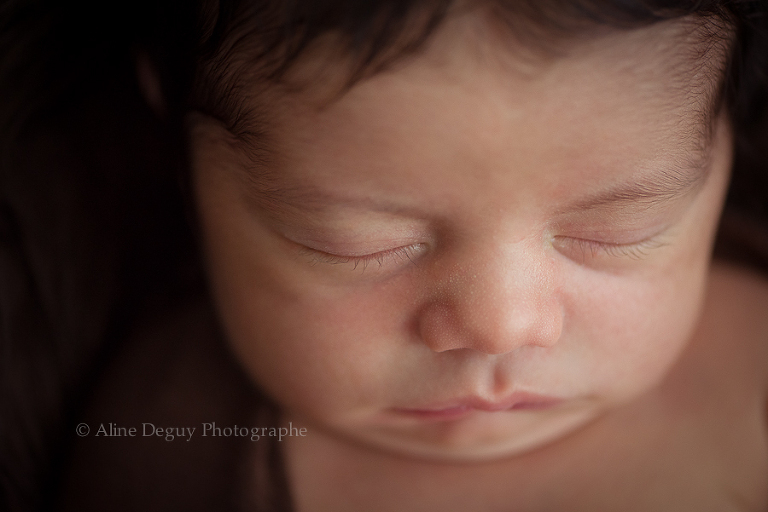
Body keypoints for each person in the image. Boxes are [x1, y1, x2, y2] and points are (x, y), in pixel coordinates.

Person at [2, 0, 768, 511]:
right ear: (182, 147)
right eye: (358, 242)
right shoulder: (166, 448)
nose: (500, 326)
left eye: (616, 229)